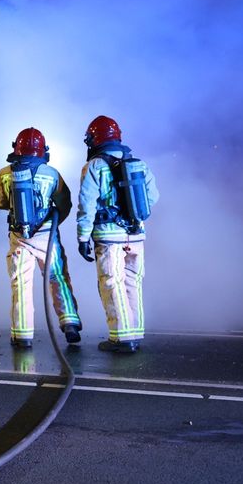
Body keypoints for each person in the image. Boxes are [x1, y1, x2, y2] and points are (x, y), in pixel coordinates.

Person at [75, 116, 160, 354]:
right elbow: (153, 197)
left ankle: (122, 338)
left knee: (112, 283)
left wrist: (82, 238)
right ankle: (135, 333)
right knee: (133, 283)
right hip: (136, 235)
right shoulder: (139, 164)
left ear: (94, 139)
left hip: (108, 238)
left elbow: (86, 205)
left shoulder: (94, 166)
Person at [0, 127, 82, 349]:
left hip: (19, 237)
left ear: (17, 148)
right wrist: (52, 224)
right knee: (57, 276)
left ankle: (22, 335)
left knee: (21, 284)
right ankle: (69, 322)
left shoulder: (4, 173)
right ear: (43, 149)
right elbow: (65, 203)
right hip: (47, 236)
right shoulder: (52, 174)